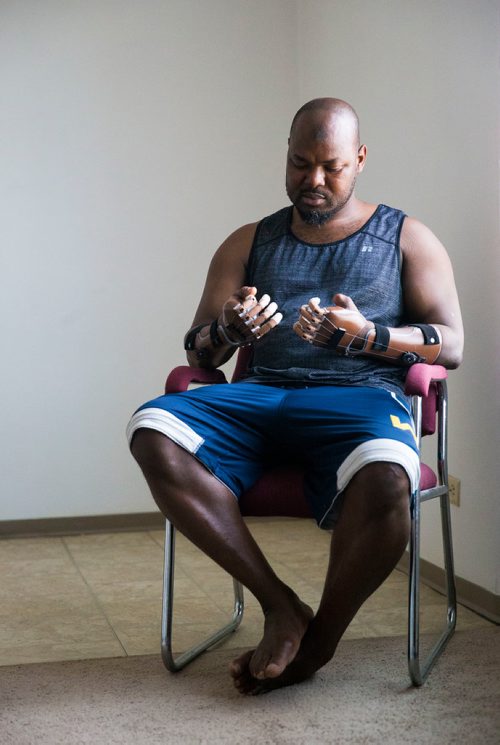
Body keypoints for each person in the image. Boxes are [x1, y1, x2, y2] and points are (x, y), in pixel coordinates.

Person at [127, 98, 463, 695]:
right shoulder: (249, 240)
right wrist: (230, 329)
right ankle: (280, 606)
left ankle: (319, 643)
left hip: (358, 399)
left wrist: (373, 336)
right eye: (299, 163)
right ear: (286, 156)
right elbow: (197, 350)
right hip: (260, 399)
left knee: (391, 473)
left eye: (330, 166)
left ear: (359, 160)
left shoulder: (404, 236)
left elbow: (453, 343)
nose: (313, 180)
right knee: (153, 427)